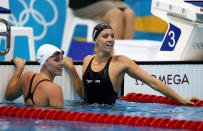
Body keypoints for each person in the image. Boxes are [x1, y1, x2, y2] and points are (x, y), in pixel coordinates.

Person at [64, 23, 200, 105]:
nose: (110, 39)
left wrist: (181, 100)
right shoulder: (88, 59)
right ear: (95, 41)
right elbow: (83, 94)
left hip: (109, 117)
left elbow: (152, 82)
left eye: (112, 36)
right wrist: (71, 69)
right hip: (85, 114)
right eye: (105, 36)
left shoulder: (121, 62)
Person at [5, 44, 79, 107]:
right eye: (56, 60)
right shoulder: (54, 89)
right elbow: (58, 121)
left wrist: (19, 68)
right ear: (44, 62)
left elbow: (8, 96)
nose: (62, 63)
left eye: (62, 59)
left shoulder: (27, 77)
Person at [68, 0, 135, 40]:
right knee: (116, 14)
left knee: (129, 14)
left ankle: (124, 55)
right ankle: (111, 56)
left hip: (109, 2)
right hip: (84, 3)